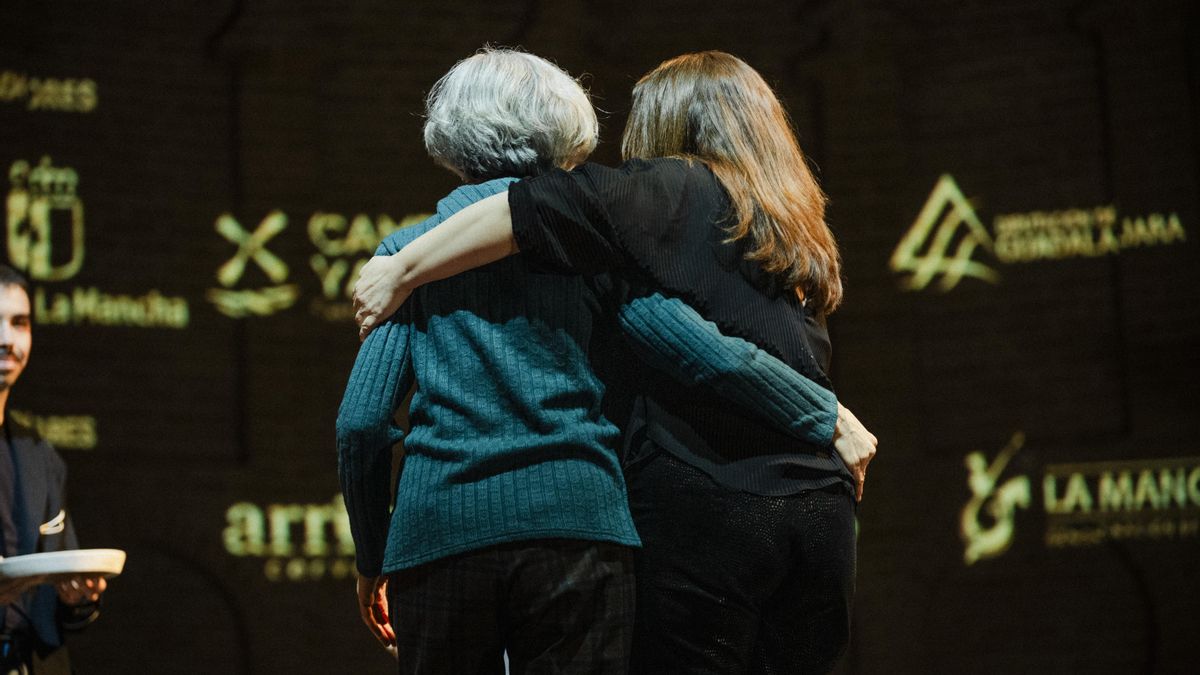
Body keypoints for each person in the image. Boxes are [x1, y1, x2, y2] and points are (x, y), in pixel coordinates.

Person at [336, 49, 867, 675]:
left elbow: (362, 423)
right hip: (580, 528)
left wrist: (374, 556)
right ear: (568, 132)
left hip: (440, 534)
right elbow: (705, 354)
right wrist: (826, 414)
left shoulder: (408, 255)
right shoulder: (593, 256)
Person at [0, 265, 105, 675]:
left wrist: (78, 598)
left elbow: (57, 608)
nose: (7, 339)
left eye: (20, 323)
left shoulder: (39, 453)